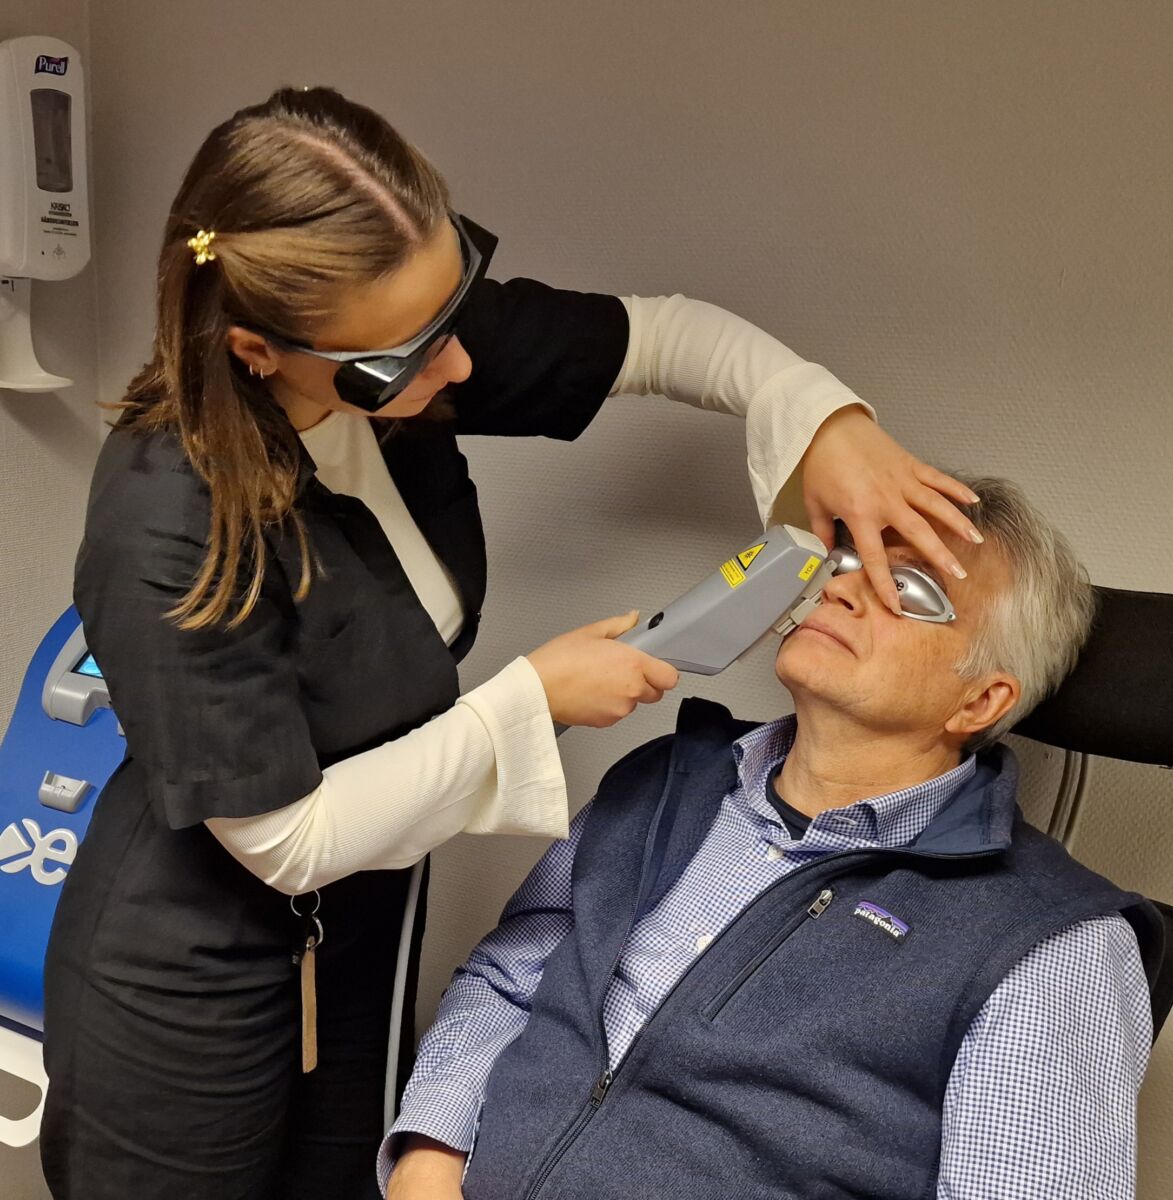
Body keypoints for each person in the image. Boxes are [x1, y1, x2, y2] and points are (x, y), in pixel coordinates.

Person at [40, 85, 984, 1200]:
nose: (457, 372)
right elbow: (285, 841)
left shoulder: (414, 338)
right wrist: (531, 699)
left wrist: (825, 418)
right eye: (402, 361)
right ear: (257, 348)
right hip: (189, 961)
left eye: (454, 313)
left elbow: (665, 337)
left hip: (354, 922)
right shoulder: (167, 516)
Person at [385, 476, 1161, 1200]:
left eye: (911, 591)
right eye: (846, 561)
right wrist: (428, 1159)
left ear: (979, 702)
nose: (843, 587)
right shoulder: (662, 782)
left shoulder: (1054, 945)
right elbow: (509, 978)